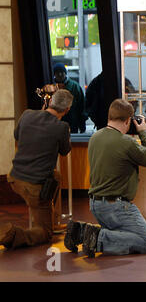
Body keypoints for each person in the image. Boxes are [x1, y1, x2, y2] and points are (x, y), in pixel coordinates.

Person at [64, 99, 146, 257]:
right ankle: (96, 237)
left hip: (95, 205)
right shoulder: (126, 142)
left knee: (123, 235)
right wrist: (143, 132)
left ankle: (83, 233)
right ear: (128, 121)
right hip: (117, 207)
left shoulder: (95, 137)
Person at [0, 89, 73, 250]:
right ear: (67, 110)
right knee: (45, 233)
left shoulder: (27, 115)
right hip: (34, 186)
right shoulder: (61, 127)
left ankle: (50, 215)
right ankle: (14, 234)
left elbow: (17, 135)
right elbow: (65, 150)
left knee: (55, 176)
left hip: (14, 177)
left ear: (50, 102)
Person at [53, 63, 88, 133]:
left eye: (62, 72)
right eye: (57, 72)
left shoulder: (74, 86)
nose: (60, 74)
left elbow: (81, 105)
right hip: (56, 125)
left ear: (65, 73)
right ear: (54, 74)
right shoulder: (51, 88)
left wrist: (82, 125)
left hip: (72, 124)